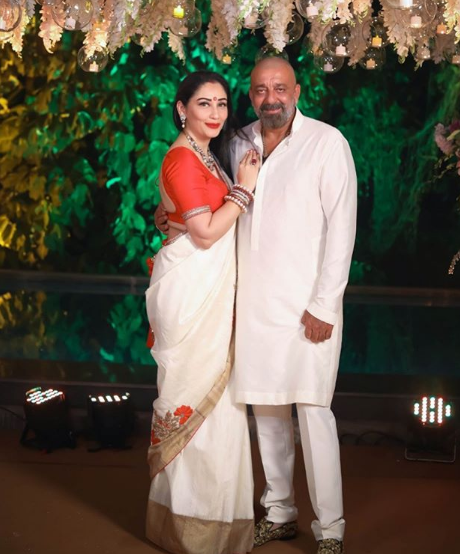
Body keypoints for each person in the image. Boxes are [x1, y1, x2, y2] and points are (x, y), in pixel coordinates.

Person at [229, 57, 357, 554]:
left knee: (314, 413)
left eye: (280, 88)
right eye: (261, 90)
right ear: (251, 95)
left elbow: (342, 230)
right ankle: (279, 512)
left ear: (297, 91)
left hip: (309, 309)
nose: (271, 98)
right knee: (267, 413)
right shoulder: (237, 142)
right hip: (254, 307)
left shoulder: (327, 143)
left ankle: (331, 529)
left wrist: (325, 305)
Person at [145, 71, 260, 554]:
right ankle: (187, 528)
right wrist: (244, 188)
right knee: (195, 402)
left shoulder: (205, 155)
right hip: (190, 295)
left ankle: (216, 524)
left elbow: (177, 216)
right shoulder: (181, 158)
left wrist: (172, 219)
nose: (215, 113)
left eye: (221, 104)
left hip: (206, 291)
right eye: (203, 104)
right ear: (182, 109)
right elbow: (207, 233)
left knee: (221, 410)